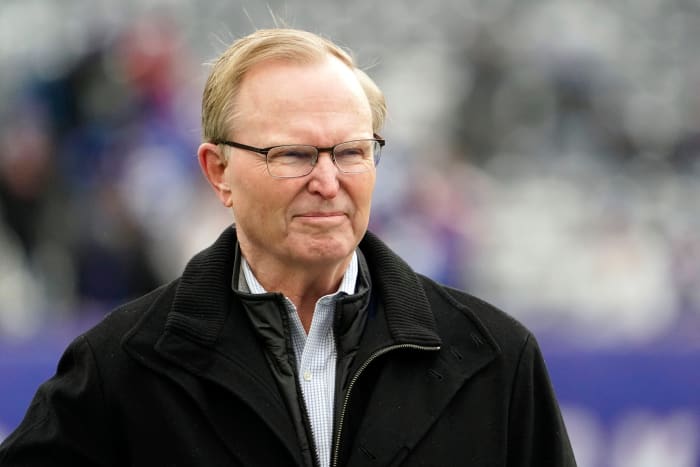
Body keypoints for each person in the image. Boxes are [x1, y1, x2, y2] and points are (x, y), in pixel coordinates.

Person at [0, 28, 576, 466]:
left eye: (350, 152)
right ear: (218, 171)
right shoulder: (119, 369)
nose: (328, 181)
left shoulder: (495, 361)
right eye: (294, 154)